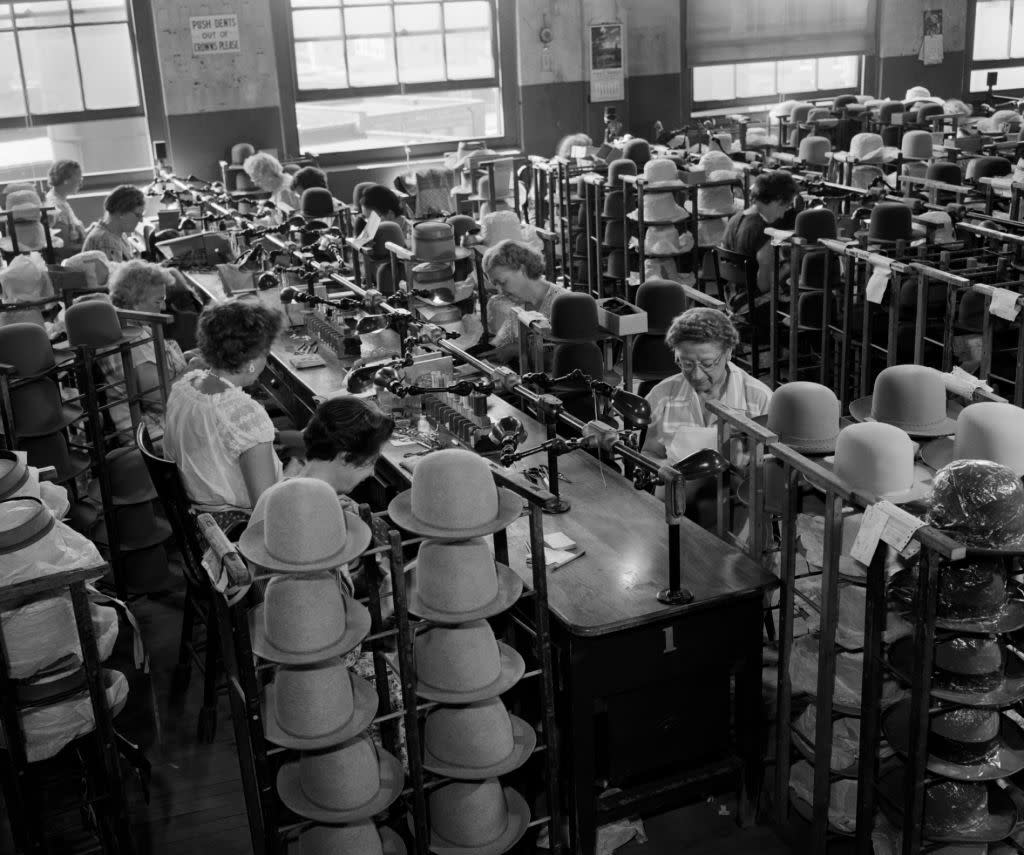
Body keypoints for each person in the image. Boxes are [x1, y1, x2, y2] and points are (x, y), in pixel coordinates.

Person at [162, 299, 284, 521]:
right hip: (235, 527)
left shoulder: (185, 387)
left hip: (199, 518)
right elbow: (266, 508)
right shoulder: (245, 413)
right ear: (252, 360)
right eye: (266, 351)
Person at [643, 308, 772, 461]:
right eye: (687, 364)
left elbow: (771, 468)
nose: (697, 375)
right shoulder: (662, 395)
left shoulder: (759, 399)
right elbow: (650, 454)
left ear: (728, 352)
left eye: (707, 363)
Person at [104, 260, 189, 435]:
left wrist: (187, 358)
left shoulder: (138, 327)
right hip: (156, 433)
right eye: (158, 301)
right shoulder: (133, 341)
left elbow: (163, 368)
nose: (164, 307)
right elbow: (160, 399)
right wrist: (192, 370)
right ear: (135, 302)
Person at [481, 239, 561, 364]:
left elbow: (570, 355)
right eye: (496, 285)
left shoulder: (563, 303)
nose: (500, 291)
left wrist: (518, 350)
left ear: (522, 270)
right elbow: (501, 347)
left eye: (503, 282)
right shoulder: (519, 306)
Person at [722, 171, 799, 295]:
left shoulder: (735, 219)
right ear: (778, 200)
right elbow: (765, 286)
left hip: (732, 296)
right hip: (753, 305)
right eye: (786, 206)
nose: (783, 214)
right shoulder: (764, 233)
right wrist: (789, 265)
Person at [82, 184, 146, 262]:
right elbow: (117, 273)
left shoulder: (119, 234)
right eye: (138, 215)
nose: (141, 220)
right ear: (122, 212)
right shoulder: (105, 241)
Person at [45, 159, 85, 249]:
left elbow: (72, 235)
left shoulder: (61, 200)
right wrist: (91, 245)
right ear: (66, 180)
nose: (81, 182)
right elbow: (64, 248)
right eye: (79, 177)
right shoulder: (57, 207)